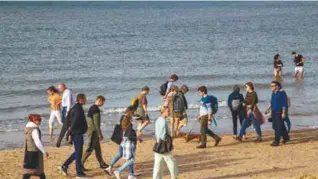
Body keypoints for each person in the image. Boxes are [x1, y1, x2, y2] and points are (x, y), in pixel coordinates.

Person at [57, 94, 88, 179]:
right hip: (77, 134)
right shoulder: (78, 108)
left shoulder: (75, 107)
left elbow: (68, 121)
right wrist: (68, 133)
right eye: (85, 99)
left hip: (76, 133)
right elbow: (74, 121)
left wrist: (62, 138)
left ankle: (64, 166)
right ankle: (79, 173)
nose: (86, 100)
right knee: (78, 153)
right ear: (81, 99)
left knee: (78, 152)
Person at [105, 106, 137, 179]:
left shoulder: (124, 117)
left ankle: (130, 173)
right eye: (133, 112)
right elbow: (127, 130)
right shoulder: (126, 119)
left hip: (122, 139)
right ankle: (129, 173)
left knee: (121, 154)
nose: (134, 113)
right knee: (127, 157)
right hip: (124, 140)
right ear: (130, 111)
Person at [82, 95, 108, 170]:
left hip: (90, 130)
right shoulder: (96, 109)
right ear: (100, 101)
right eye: (103, 102)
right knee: (90, 149)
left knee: (97, 148)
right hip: (93, 131)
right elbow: (96, 123)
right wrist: (100, 133)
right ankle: (80, 164)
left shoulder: (91, 107)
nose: (103, 104)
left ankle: (102, 163)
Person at [153, 106, 179, 179]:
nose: (169, 112)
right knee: (171, 161)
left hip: (158, 143)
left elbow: (158, 134)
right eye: (168, 111)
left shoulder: (158, 119)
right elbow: (163, 135)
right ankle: (174, 177)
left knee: (158, 164)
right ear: (163, 112)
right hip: (163, 144)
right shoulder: (163, 121)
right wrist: (170, 139)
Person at [22, 114, 49, 179]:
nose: (40, 121)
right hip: (35, 151)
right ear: (34, 121)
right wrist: (44, 152)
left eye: (40, 120)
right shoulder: (34, 130)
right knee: (38, 171)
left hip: (28, 150)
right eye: (38, 120)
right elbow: (37, 142)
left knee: (28, 171)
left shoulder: (28, 128)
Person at [270, 81, 290, 146]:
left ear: (277, 86)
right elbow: (272, 102)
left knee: (278, 127)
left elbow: (284, 104)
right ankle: (286, 137)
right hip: (273, 111)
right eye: (271, 86)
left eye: (273, 86)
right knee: (276, 126)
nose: (271, 87)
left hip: (279, 112)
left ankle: (276, 141)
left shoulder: (282, 93)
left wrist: (283, 113)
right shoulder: (273, 93)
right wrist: (269, 111)